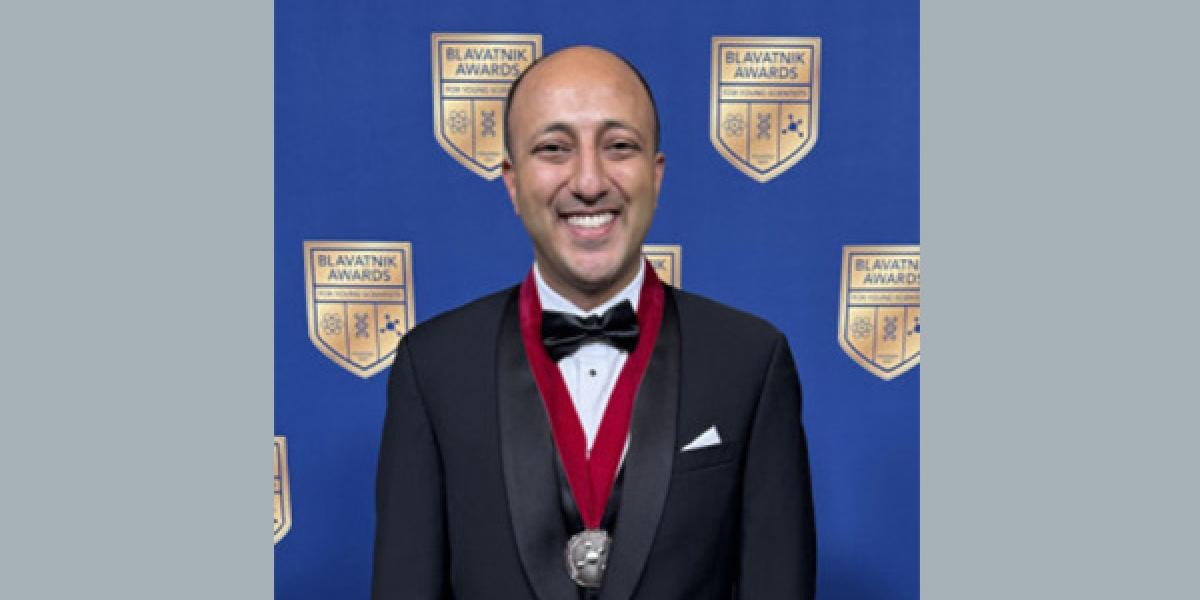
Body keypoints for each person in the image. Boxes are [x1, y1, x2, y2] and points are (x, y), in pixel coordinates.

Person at [372, 46, 816, 599]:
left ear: (656, 174)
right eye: (554, 148)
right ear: (511, 181)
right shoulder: (434, 365)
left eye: (620, 147)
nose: (588, 181)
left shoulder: (750, 360)